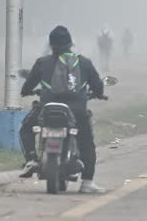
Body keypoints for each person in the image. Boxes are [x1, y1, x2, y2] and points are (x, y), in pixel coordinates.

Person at [18, 25, 107, 194]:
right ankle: (87, 183)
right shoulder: (84, 63)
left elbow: (27, 86)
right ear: (70, 43)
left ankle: (31, 159)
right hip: (76, 112)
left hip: (47, 109)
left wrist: (27, 91)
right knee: (86, 142)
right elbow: (98, 86)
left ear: (51, 45)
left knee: (26, 128)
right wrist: (97, 94)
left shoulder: (42, 62)